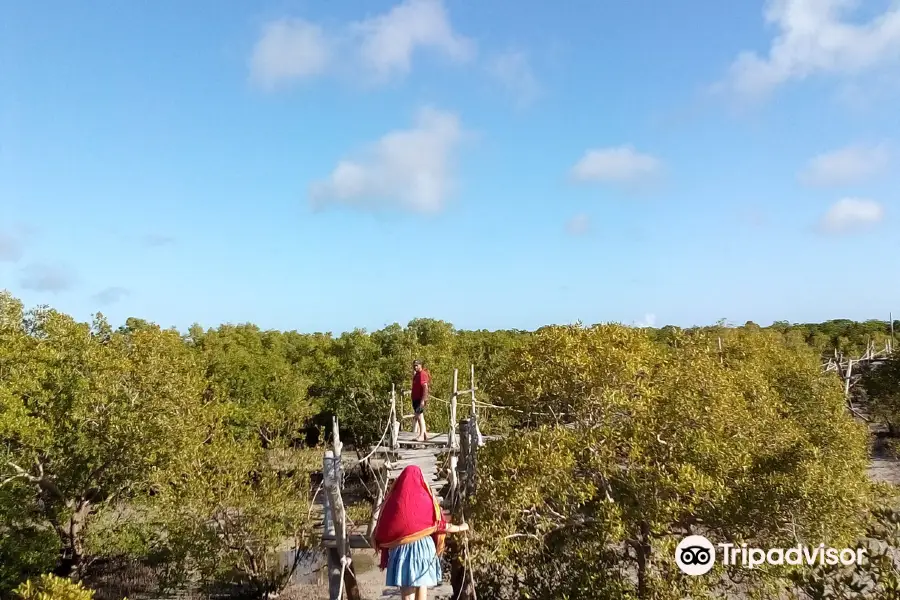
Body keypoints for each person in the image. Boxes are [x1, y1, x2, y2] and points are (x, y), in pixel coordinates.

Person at [373, 465, 470, 600]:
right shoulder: (426, 497)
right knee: (422, 586)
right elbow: (439, 524)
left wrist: (378, 540)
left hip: (402, 551)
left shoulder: (394, 500)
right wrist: (461, 528)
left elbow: (384, 525)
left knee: (407, 592)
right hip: (424, 549)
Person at [411, 359, 430, 442]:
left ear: (420, 365)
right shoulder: (416, 375)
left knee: (418, 416)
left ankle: (421, 435)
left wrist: (423, 400)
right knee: (420, 416)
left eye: (417, 365)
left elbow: (425, 387)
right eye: (414, 365)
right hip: (415, 399)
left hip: (420, 399)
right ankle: (425, 434)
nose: (415, 367)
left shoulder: (422, 374)